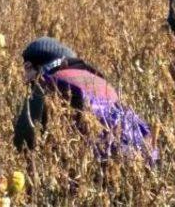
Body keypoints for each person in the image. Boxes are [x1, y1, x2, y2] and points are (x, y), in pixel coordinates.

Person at [13, 37, 158, 165]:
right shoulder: (101, 81)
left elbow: (24, 139)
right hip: (137, 161)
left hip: (91, 168)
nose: (25, 80)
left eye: (27, 70)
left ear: (32, 66)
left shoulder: (47, 83)